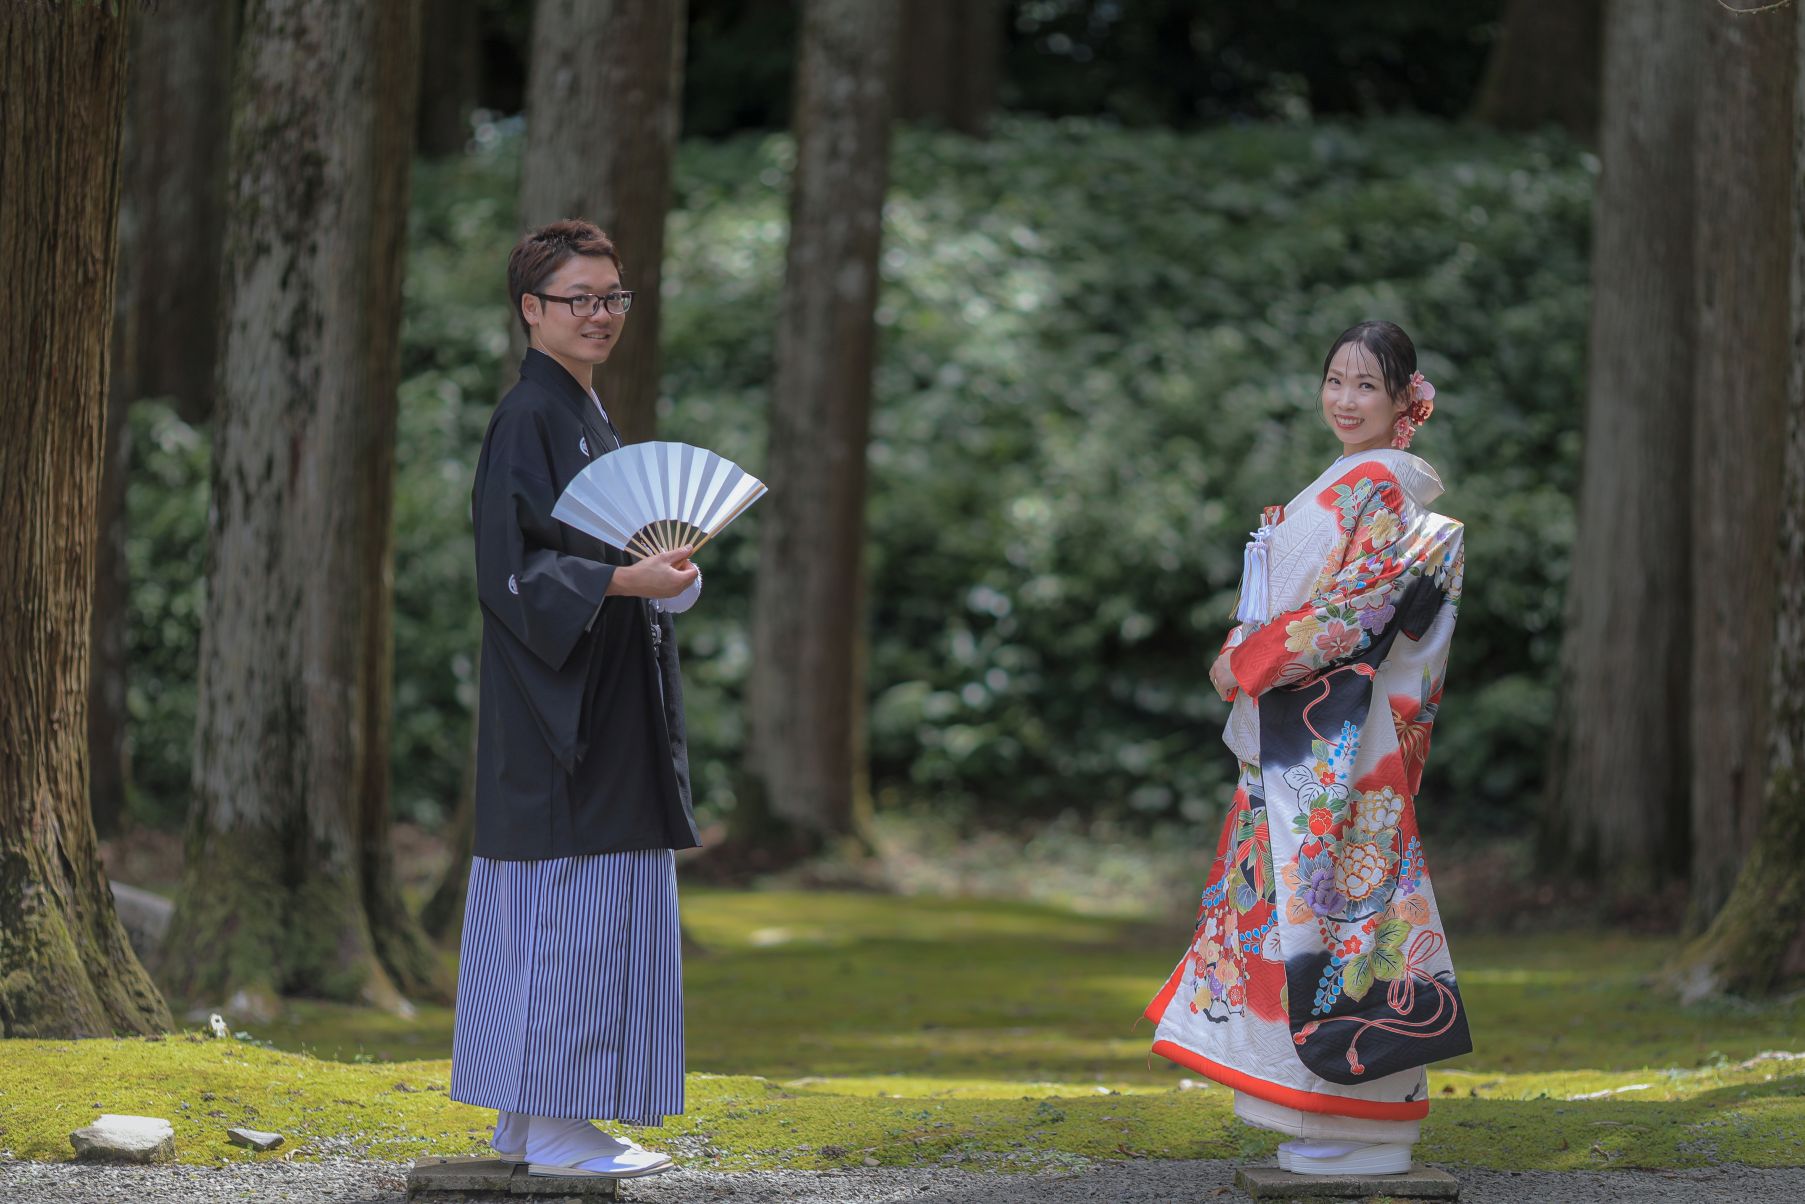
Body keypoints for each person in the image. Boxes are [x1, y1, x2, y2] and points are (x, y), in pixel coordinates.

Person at [1145, 321, 1472, 1177]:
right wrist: (1242, 650)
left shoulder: (1382, 487)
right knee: (1306, 916)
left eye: (1366, 385)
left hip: (1335, 739)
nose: (1345, 399)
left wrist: (1244, 661)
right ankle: (1320, 1107)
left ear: (1405, 399)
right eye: (1335, 380)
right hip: (1309, 732)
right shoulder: (1345, 481)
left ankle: (1362, 1121)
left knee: (1335, 915)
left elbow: (1355, 609)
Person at [448, 219, 702, 1179]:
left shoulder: (588, 413)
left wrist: (662, 579)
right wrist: (615, 587)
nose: (600, 316)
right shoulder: (530, 417)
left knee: (556, 904)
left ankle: (527, 1121)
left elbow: (613, 547)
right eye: (578, 300)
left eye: (612, 298)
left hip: (599, 694)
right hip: (557, 711)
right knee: (570, 904)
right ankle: (560, 1127)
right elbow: (506, 569)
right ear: (530, 310)